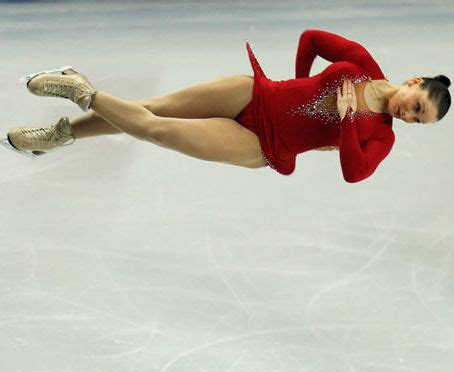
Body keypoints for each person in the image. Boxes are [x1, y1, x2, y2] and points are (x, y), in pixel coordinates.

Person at [3, 30, 451, 182]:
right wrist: (297, 80)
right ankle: (63, 134)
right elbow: (312, 38)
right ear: (413, 82)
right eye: (416, 106)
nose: (408, 117)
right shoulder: (362, 63)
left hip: (259, 144)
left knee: (156, 130)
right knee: (150, 108)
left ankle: (81, 90)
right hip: (254, 93)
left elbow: (355, 171)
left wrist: (348, 120)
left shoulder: (381, 135)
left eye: (418, 120)